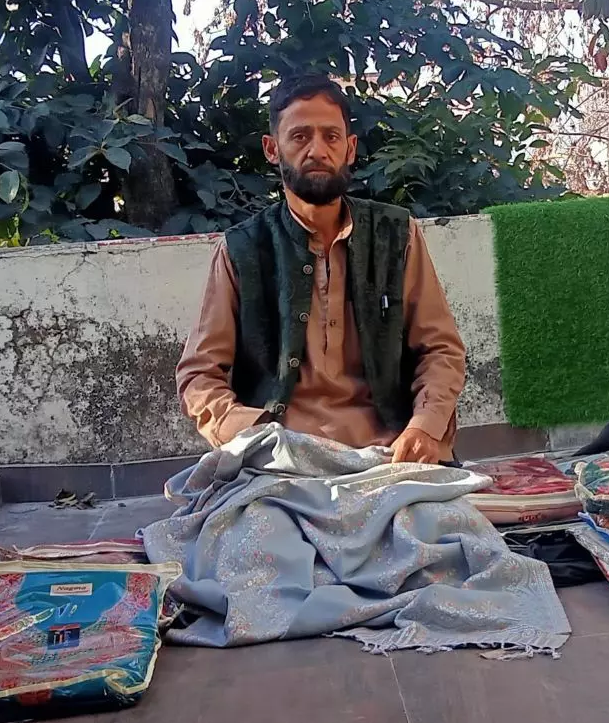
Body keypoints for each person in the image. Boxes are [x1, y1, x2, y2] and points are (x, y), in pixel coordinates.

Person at [176, 73, 467, 464]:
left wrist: (425, 427)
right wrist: (254, 437)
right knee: (247, 527)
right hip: (284, 462)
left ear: (349, 149)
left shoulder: (397, 235)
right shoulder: (241, 250)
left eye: (331, 137)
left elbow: (440, 350)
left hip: (393, 454)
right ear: (272, 148)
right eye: (299, 137)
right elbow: (199, 376)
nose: (317, 150)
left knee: (446, 527)